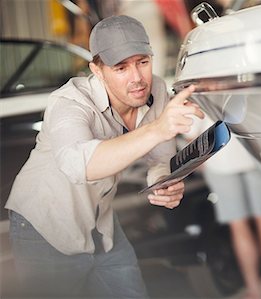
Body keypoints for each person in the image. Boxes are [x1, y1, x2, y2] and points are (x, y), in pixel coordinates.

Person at [5, 15, 203, 298]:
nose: (137, 78)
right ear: (97, 70)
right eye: (121, 67)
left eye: (142, 62)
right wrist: (158, 129)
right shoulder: (69, 102)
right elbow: (79, 164)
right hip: (44, 227)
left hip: (102, 224)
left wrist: (164, 183)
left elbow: (159, 159)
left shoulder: (156, 89)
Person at [187, 118, 261, 299]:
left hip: (220, 160)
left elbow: (192, 134)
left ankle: (255, 291)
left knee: (238, 225)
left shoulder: (194, 90)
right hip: (253, 154)